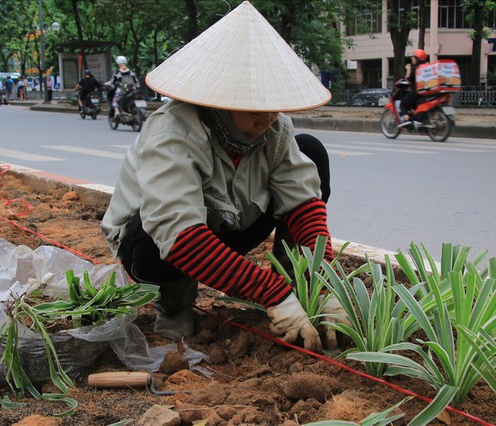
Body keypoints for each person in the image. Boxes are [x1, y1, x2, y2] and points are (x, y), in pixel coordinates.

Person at [101, 1, 348, 353]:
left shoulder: (274, 130)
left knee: (309, 149)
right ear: (219, 101)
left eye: (273, 107)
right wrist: (268, 290)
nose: (266, 120)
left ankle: (298, 291)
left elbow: (303, 203)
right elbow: (181, 236)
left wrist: (326, 283)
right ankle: (173, 303)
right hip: (156, 245)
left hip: (225, 225)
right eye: (253, 111)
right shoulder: (173, 134)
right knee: (150, 237)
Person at [399, 49, 428, 127]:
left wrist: (408, 69)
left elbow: (409, 79)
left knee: (403, 104)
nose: (412, 59)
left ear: (417, 58)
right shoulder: (426, 67)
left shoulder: (416, 68)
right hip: (427, 92)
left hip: (417, 91)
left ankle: (407, 120)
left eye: (413, 57)